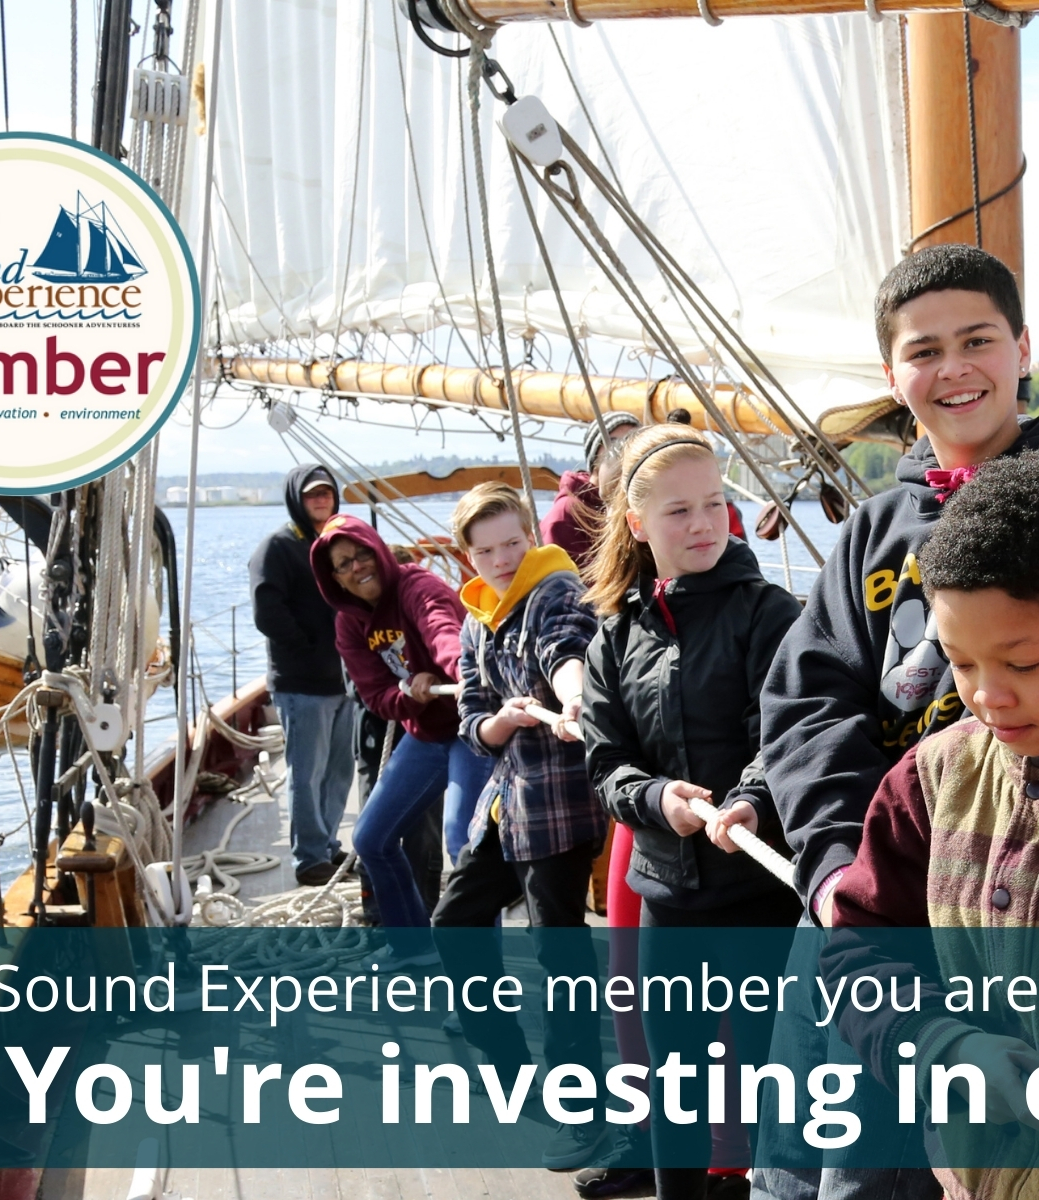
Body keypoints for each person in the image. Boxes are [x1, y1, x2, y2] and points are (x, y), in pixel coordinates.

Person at [750, 243, 1039, 1200]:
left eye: (977, 340)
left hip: (1014, 900)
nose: (954, 367)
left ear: (1023, 349)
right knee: (800, 1158)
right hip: (875, 880)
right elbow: (808, 701)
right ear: (894, 377)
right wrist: (837, 864)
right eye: (923, 350)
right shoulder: (870, 529)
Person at [822, 453, 1039, 1200]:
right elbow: (858, 954)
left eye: (1022, 663)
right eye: (960, 662)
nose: (987, 696)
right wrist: (945, 1047)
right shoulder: (932, 780)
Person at [580, 425, 804, 1200]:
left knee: (782, 1085)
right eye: (680, 512)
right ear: (638, 525)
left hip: (763, 898)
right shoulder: (613, 639)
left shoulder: (768, 613)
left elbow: (781, 735)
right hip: (669, 897)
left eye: (715, 504)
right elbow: (604, 764)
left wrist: (747, 799)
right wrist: (653, 799)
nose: (704, 524)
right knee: (674, 1084)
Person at [430, 482, 610, 1171]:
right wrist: (500, 721)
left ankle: (582, 1112)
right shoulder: (478, 615)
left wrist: (567, 699)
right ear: (466, 555)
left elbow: (567, 651)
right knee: (455, 919)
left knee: (558, 954)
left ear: (531, 536)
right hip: (507, 805)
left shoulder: (552, 589)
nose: (503, 558)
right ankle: (507, 1066)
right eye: (487, 550)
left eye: (513, 542)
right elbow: (472, 717)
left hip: (560, 809)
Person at [309, 515, 488, 959]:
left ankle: (478, 975)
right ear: (334, 578)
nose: (357, 567)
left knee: (464, 845)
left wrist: (456, 672)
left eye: (362, 554)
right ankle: (413, 947)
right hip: (426, 734)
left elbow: (442, 631)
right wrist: (410, 694)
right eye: (343, 563)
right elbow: (376, 695)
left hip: (469, 725)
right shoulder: (349, 625)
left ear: (379, 549)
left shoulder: (417, 587)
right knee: (371, 839)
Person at [249, 465, 356, 887]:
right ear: (297, 497)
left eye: (327, 493)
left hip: (343, 681)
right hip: (302, 683)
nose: (321, 499)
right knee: (307, 774)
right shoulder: (277, 547)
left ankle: (327, 844)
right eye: (313, 494)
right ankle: (310, 858)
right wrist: (310, 647)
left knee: (339, 771)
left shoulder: (335, 543)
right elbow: (266, 611)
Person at [545, 411, 644, 567]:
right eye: (613, 442)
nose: (624, 450)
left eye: (633, 441)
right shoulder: (566, 514)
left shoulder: (640, 504)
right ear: (595, 455)